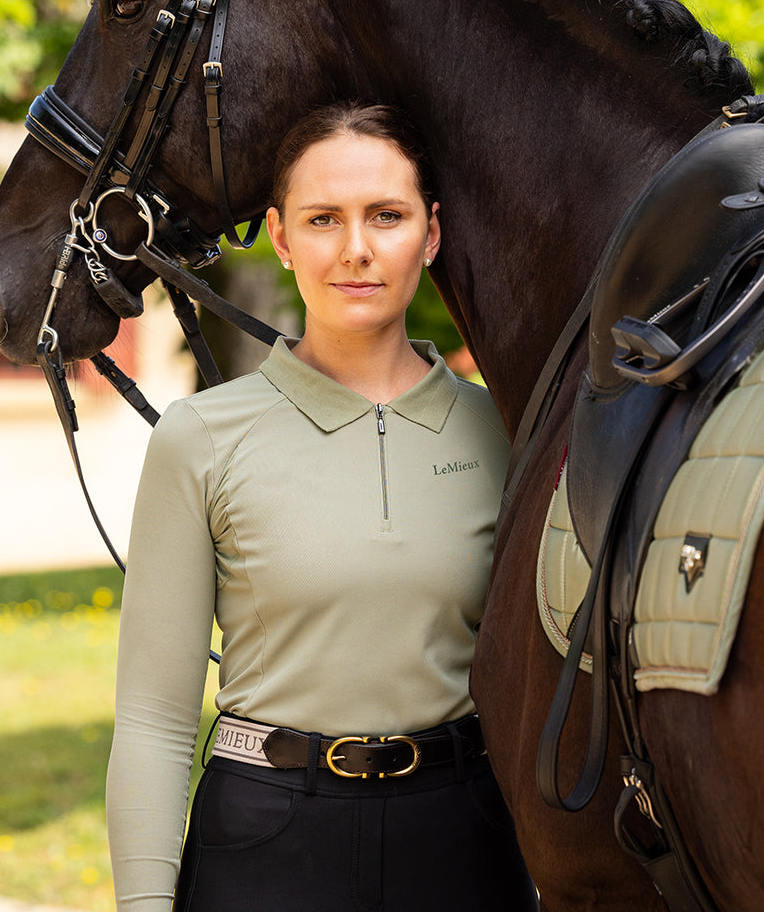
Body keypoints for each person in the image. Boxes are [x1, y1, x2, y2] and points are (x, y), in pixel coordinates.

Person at [105, 101, 538, 912]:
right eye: (322, 219)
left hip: (463, 839)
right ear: (279, 237)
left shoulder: (508, 434)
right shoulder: (201, 437)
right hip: (265, 841)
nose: (356, 250)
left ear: (431, 233)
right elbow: (154, 721)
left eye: (387, 216)